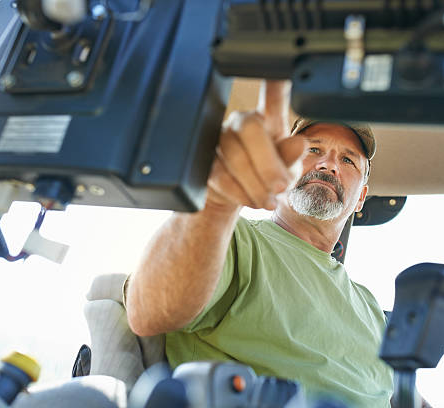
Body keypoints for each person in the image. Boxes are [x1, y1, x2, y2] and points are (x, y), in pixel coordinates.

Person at [124, 81, 408, 407]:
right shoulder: (234, 240)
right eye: (312, 149)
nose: (328, 164)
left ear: (361, 197)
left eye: (348, 160)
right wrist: (217, 199)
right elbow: (148, 312)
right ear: (283, 168)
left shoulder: (371, 309)